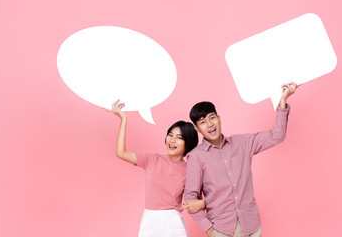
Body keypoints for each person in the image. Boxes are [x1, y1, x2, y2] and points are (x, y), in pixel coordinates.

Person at [183, 83, 299, 237]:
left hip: (251, 225)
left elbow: (276, 136)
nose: (210, 124)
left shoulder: (242, 143)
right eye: (203, 122)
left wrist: (283, 101)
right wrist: (210, 230)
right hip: (222, 229)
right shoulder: (196, 156)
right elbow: (190, 199)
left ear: (219, 118)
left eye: (212, 118)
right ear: (197, 128)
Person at [106, 100, 205, 237]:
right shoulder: (152, 159)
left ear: (187, 143)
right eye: (170, 135)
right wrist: (123, 119)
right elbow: (121, 153)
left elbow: (203, 199)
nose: (172, 140)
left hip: (173, 224)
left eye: (179, 138)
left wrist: (203, 203)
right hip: (149, 222)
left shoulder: (190, 169)